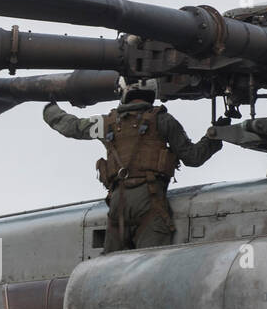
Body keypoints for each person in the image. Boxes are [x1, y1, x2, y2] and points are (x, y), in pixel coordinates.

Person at [43, 79, 221, 252]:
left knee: (111, 268)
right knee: (150, 268)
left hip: (118, 205)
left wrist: (49, 108)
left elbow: (71, 127)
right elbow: (193, 157)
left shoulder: (107, 123)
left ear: (124, 93)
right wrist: (215, 135)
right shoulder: (163, 120)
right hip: (151, 202)